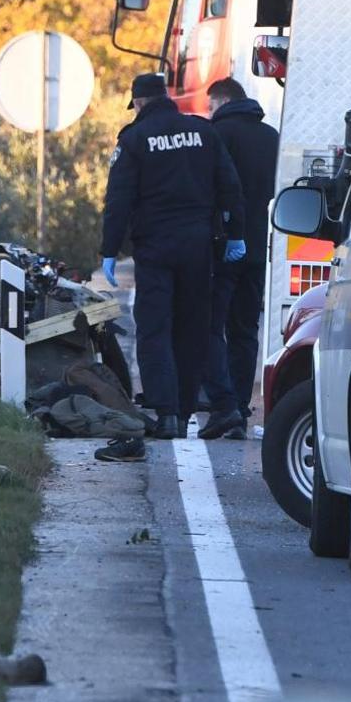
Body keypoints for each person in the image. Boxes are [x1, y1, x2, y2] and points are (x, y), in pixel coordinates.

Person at [98, 73, 244, 453]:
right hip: (199, 245)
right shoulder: (201, 132)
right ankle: (185, 405)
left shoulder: (133, 140)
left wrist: (109, 249)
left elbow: (119, 201)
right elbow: (230, 185)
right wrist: (236, 233)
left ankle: (168, 416)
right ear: (165, 97)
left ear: (140, 103)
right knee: (193, 329)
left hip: (156, 248)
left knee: (154, 329)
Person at [197, 77, 280, 441]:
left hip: (225, 244)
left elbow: (212, 189)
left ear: (223, 101)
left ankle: (223, 404)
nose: (208, 113)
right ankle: (241, 408)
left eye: (210, 106)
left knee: (211, 325)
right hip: (263, 247)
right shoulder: (273, 136)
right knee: (245, 329)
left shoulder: (219, 135)